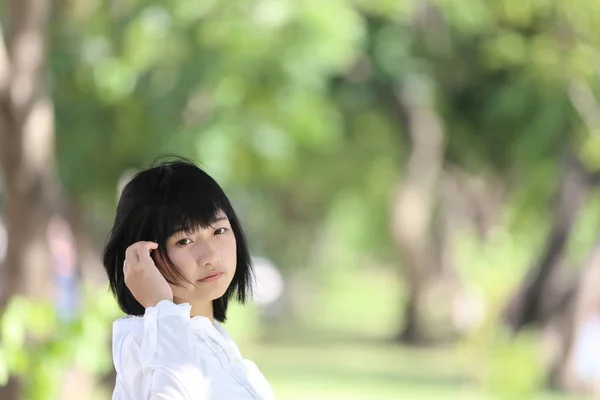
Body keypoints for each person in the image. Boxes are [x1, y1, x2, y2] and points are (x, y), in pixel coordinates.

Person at [102, 158, 275, 400]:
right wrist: (162, 308)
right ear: (144, 256)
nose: (210, 256)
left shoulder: (223, 348)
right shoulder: (143, 344)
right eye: (184, 240)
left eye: (219, 231)